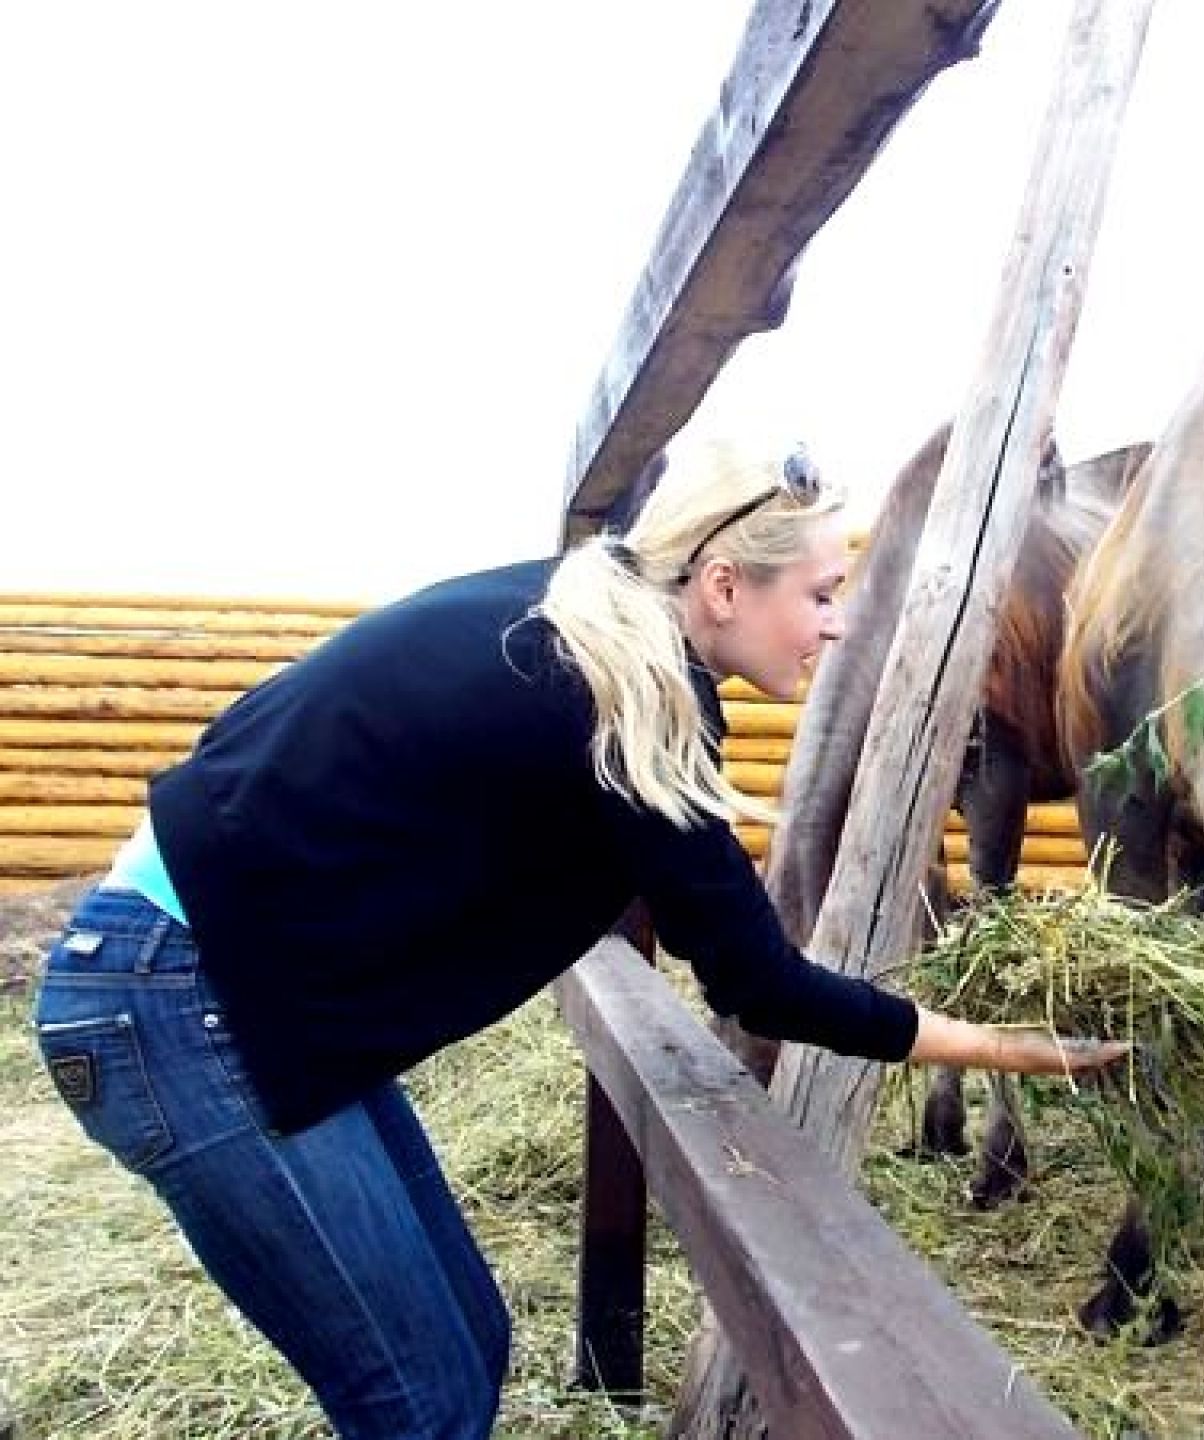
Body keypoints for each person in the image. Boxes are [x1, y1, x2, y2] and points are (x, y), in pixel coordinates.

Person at [32, 441, 1124, 1439]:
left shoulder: (567, 618)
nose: (836, 626)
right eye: (823, 596)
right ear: (725, 586)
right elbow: (760, 984)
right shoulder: (633, 694)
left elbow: (256, 735)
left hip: (232, 985)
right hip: (174, 1002)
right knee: (424, 1399)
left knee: (473, 1344)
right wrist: (1001, 1045)